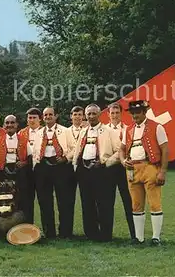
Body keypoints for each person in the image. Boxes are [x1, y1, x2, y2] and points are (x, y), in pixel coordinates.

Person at [120, 100, 168, 246]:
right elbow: (121, 149)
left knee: (154, 203)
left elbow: (165, 149)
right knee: (136, 204)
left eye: (137, 112)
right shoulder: (128, 129)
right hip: (132, 169)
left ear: (144, 112)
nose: (135, 115)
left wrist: (162, 171)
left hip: (150, 166)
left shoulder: (156, 127)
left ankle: (155, 237)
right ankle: (139, 238)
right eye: (133, 113)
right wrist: (123, 161)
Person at [72, 103, 120, 242]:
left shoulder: (109, 131)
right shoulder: (83, 131)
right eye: (89, 114)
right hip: (84, 170)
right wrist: (76, 165)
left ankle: (105, 235)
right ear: (85, 116)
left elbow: (119, 151)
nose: (91, 116)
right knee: (87, 203)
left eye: (94, 113)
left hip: (102, 171)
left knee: (104, 203)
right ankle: (90, 233)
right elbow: (77, 151)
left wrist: (105, 162)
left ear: (100, 114)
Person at [33, 107, 76, 239]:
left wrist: (65, 158)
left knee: (64, 201)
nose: (48, 117)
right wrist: (37, 161)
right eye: (45, 115)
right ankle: (49, 232)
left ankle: (65, 232)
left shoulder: (65, 131)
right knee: (45, 201)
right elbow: (35, 151)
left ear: (56, 116)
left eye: (50, 114)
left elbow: (75, 148)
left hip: (61, 167)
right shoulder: (39, 133)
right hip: (43, 166)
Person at [0, 114, 32, 236]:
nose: (9, 125)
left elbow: (30, 158)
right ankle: (1, 229)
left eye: (12, 123)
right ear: (4, 125)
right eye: (7, 123)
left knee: (22, 201)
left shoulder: (24, 140)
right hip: (3, 174)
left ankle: (26, 229)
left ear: (17, 125)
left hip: (20, 173)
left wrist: (24, 162)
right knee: (3, 201)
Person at [106, 102, 136, 241]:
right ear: (108, 114)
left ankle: (134, 234)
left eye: (117, 112)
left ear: (121, 113)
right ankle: (107, 235)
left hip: (125, 168)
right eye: (112, 113)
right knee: (107, 201)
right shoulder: (104, 130)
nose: (115, 115)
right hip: (109, 169)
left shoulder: (128, 129)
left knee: (129, 201)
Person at [17, 107, 43, 224]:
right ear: (27, 120)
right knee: (26, 200)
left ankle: (49, 231)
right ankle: (27, 226)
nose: (32, 120)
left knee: (44, 200)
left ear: (40, 119)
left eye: (34, 118)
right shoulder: (21, 134)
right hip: (26, 171)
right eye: (30, 118)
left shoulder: (44, 131)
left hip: (42, 169)